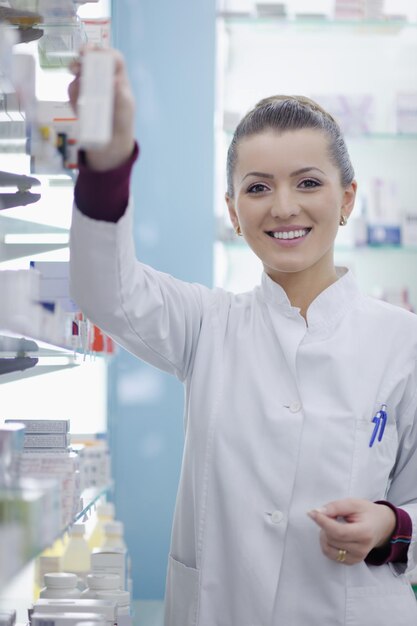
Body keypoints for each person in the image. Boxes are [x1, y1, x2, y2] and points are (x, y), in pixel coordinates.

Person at [68, 50, 417, 626]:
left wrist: (392, 526)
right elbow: (106, 288)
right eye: (258, 189)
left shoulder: (402, 340)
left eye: (308, 182)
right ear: (233, 211)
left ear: (348, 198)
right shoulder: (207, 324)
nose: (284, 207)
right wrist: (108, 162)